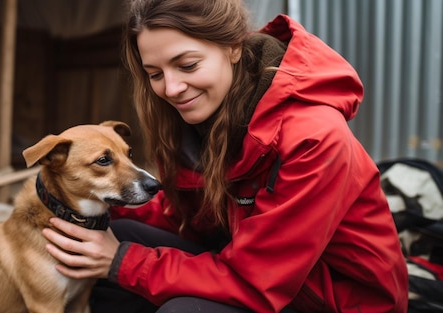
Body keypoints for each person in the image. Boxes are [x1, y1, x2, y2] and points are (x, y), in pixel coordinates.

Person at [41, 0, 409, 312]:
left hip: (333, 301)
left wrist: (121, 263)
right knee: (114, 236)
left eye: (187, 65)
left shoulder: (312, 137)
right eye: (154, 73)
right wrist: (77, 201)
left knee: (177, 306)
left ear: (233, 47)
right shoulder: (198, 122)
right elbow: (190, 217)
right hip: (254, 265)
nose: (170, 88)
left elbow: (260, 280)